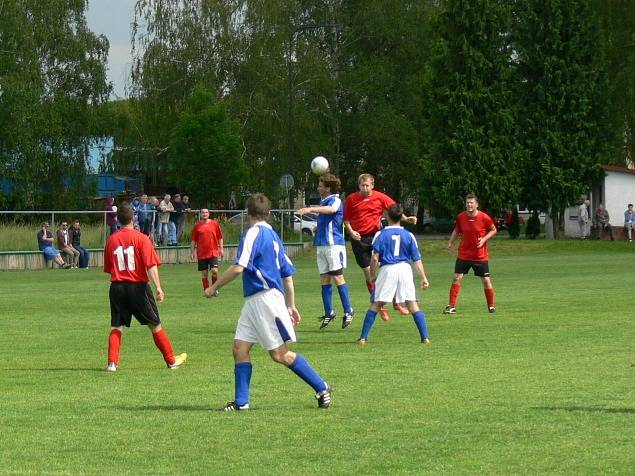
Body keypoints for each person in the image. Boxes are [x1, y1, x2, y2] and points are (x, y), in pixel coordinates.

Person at [204, 193, 331, 411]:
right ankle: (241, 402)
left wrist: (214, 287)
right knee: (239, 348)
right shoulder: (274, 236)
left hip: (264, 299)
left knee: (279, 354)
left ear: (247, 213)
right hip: (257, 301)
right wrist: (291, 304)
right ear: (269, 213)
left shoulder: (253, 234)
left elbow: (238, 267)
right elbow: (287, 274)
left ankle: (322, 387)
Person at [103, 203, 187, 372]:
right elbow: (151, 265)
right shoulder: (141, 238)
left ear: (118, 220)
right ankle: (171, 361)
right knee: (154, 324)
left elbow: (108, 268)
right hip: (137, 287)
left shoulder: (111, 240)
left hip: (117, 287)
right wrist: (158, 287)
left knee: (116, 326)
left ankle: (112, 363)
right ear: (133, 217)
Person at [343, 173, 417, 321]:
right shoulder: (351, 199)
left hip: (377, 237)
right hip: (359, 240)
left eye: (367, 185)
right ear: (358, 186)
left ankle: (397, 303)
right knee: (369, 273)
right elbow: (346, 219)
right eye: (362, 186)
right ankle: (380, 306)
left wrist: (406, 218)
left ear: (372, 185)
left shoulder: (380, 197)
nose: (364, 188)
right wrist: (351, 232)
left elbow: (394, 209)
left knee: (389, 270)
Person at [357, 204, 430, 344]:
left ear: (387, 217)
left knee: (376, 304)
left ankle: (363, 338)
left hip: (388, 269)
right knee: (412, 304)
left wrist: (372, 274)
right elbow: (417, 259)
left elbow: (374, 258)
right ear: (401, 217)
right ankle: (425, 337)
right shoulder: (409, 235)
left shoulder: (381, 234)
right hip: (405, 269)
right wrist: (423, 278)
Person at [297, 173, 354, 330]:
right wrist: (318, 227)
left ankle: (349, 310)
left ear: (328, 188)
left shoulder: (334, 199)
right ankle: (329, 312)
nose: (318, 187)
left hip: (333, 245)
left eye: (321, 185)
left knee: (338, 277)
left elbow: (331, 210)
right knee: (324, 279)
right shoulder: (324, 201)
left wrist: (310, 209)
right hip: (322, 244)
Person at [444, 193, 497, 314]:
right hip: (464, 254)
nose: (469, 205)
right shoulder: (461, 217)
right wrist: (450, 242)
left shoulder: (484, 217)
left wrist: (484, 239)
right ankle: (451, 306)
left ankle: (491, 306)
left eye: (471, 202)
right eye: (467, 203)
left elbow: (494, 230)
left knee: (486, 280)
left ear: (477, 204)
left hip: (480, 256)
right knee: (457, 277)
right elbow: (457, 229)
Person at [190, 208, 224, 293]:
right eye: (203, 212)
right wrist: (192, 252)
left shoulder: (214, 224)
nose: (204, 214)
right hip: (202, 253)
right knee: (204, 273)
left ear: (209, 214)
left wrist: (221, 249)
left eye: (206, 212)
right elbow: (193, 240)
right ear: (200, 214)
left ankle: (215, 289)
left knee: (214, 271)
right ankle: (207, 291)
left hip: (213, 252)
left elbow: (220, 237)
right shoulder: (197, 226)